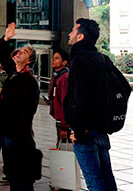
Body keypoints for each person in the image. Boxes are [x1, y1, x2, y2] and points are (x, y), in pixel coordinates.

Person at [64, 18, 117, 190]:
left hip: (85, 131)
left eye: (73, 31)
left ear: (80, 37)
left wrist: (77, 131)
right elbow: (121, 87)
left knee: (94, 180)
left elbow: (80, 98)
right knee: (107, 178)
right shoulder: (102, 58)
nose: (70, 34)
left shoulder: (79, 61)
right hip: (101, 129)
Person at [0, 22, 40, 191]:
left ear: (29, 61)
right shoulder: (14, 74)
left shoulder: (29, 81)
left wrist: (20, 137)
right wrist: (6, 38)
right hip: (6, 131)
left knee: (21, 177)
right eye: (20, 50)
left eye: (24, 52)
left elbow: (27, 111)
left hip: (17, 135)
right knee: (13, 174)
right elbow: (4, 56)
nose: (19, 52)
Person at [47, 49, 70, 148]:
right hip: (58, 118)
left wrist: (65, 126)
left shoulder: (64, 77)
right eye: (53, 58)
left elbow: (66, 101)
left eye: (57, 58)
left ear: (64, 62)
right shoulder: (57, 76)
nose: (53, 60)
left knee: (64, 147)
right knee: (61, 145)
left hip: (63, 120)